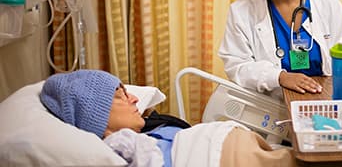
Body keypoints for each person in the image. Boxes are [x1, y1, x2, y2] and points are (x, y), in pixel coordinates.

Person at [39, 69, 296, 167]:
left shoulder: (150, 130)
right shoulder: (114, 150)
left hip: (230, 144)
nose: (135, 99)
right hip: (222, 157)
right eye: (121, 96)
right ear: (96, 114)